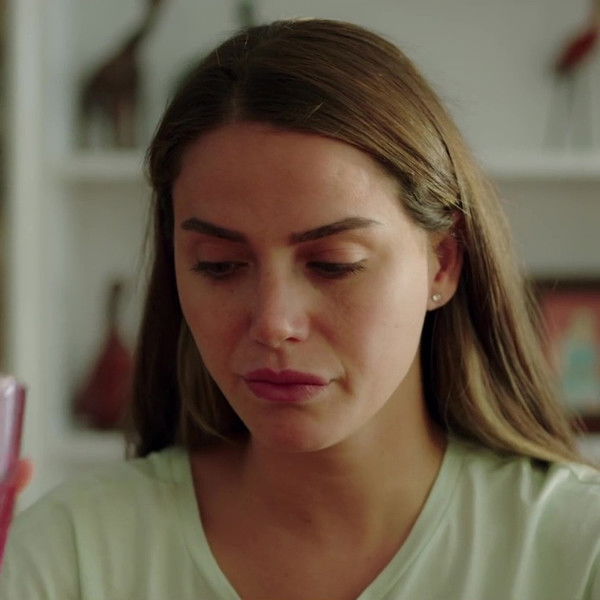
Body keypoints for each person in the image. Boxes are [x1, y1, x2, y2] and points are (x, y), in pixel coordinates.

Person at [1, 18, 599, 600]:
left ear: (441, 264)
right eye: (219, 265)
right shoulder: (70, 554)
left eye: (334, 263)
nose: (273, 323)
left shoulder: (579, 551)